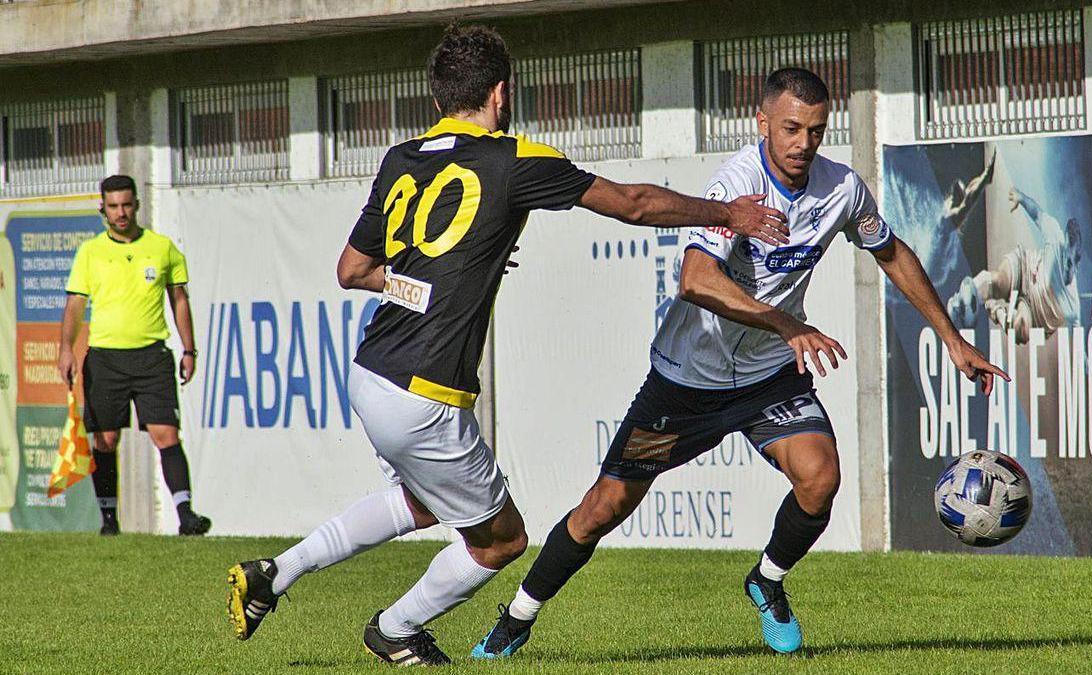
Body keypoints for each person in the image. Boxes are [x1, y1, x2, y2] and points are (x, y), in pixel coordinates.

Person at [224, 23, 788, 667]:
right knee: (500, 541)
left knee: (418, 502)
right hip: (423, 394)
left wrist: (441, 276)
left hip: (370, 373)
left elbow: (352, 271)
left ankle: (275, 573)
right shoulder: (512, 158)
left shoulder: (401, 158)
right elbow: (631, 203)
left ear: (439, 100)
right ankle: (396, 629)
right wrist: (728, 214)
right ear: (501, 92)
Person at [472, 68, 1008, 659]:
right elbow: (695, 281)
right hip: (685, 388)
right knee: (605, 506)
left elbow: (890, 250)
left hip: (768, 381)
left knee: (820, 477)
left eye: (816, 130)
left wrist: (951, 337)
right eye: (790, 128)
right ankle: (518, 617)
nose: (804, 143)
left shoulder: (842, 189)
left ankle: (767, 582)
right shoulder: (737, 186)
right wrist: (788, 324)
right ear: (762, 123)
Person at [58, 174, 210, 536]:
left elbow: (179, 300)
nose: (121, 212)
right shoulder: (90, 252)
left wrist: (189, 349)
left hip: (152, 357)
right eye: (113, 206)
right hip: (106, 358)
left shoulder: (162, 247)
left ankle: (186, 515)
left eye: (127, 204)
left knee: (166, 434)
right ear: (103, 210)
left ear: (137, 205)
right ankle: (109, 520)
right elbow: (75, 305)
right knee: (106, 439)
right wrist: (66, 348)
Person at [946, 185, 1083, 344]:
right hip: (1025, 270)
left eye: (1069, 261)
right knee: (997, 282)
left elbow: (1078, 332)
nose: (1064, 261)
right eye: (1064, 252)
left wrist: (1084, 359)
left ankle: (994, 310)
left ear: (1076, 264)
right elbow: (1037, 213)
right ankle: (959, 301)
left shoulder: (1072, 303)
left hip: (1034, 313)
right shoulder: (1055, 235)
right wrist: (1021, 198)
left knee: (1019, 331)